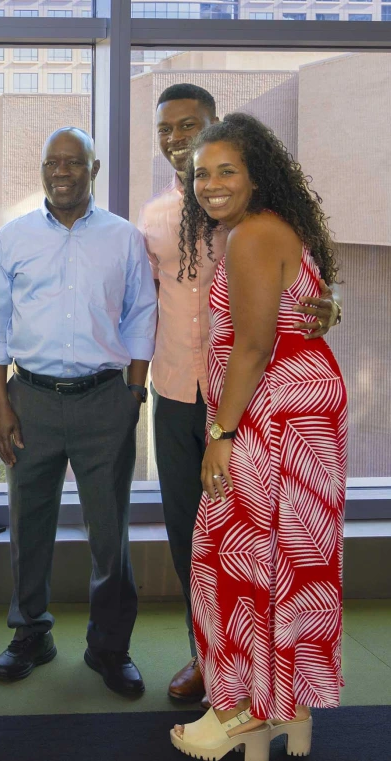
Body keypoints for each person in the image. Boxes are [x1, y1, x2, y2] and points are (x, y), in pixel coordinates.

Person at [137, 84, 340, 706]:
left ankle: (254, 678)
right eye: (166, 128)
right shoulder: (153, 218)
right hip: (177, 389)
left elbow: (299, 290)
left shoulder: (257, 216)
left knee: (260, 541)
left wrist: (329, 305)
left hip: (252, 403)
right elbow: (136, 303)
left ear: (216, 125)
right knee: (192, 536)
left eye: (189, 125)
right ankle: (209, 658)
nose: (176, 137)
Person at [0, 128, 157, 697]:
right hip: (29, 398)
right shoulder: (12, 239)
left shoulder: (124, 238)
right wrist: (2, 405)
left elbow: (140, 315)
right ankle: (31, 633)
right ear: (42, 170)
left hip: (106, 399)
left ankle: (110, 646)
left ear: (93, 168)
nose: (62, 171)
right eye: (52, 163)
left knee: (109, 533)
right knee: (29, 524)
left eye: (73, 162)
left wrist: (133, 394)